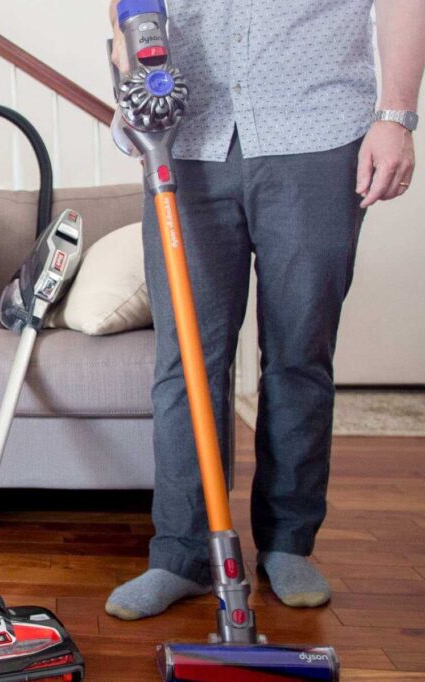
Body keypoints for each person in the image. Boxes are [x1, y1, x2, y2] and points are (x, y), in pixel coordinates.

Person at [105, 0, 425, 620]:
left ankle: (287, 543)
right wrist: (128, 73)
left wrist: (396, 117)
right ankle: (182, 554)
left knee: (299, 352)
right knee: (187, 360)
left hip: (317, 133)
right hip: (186, 137)